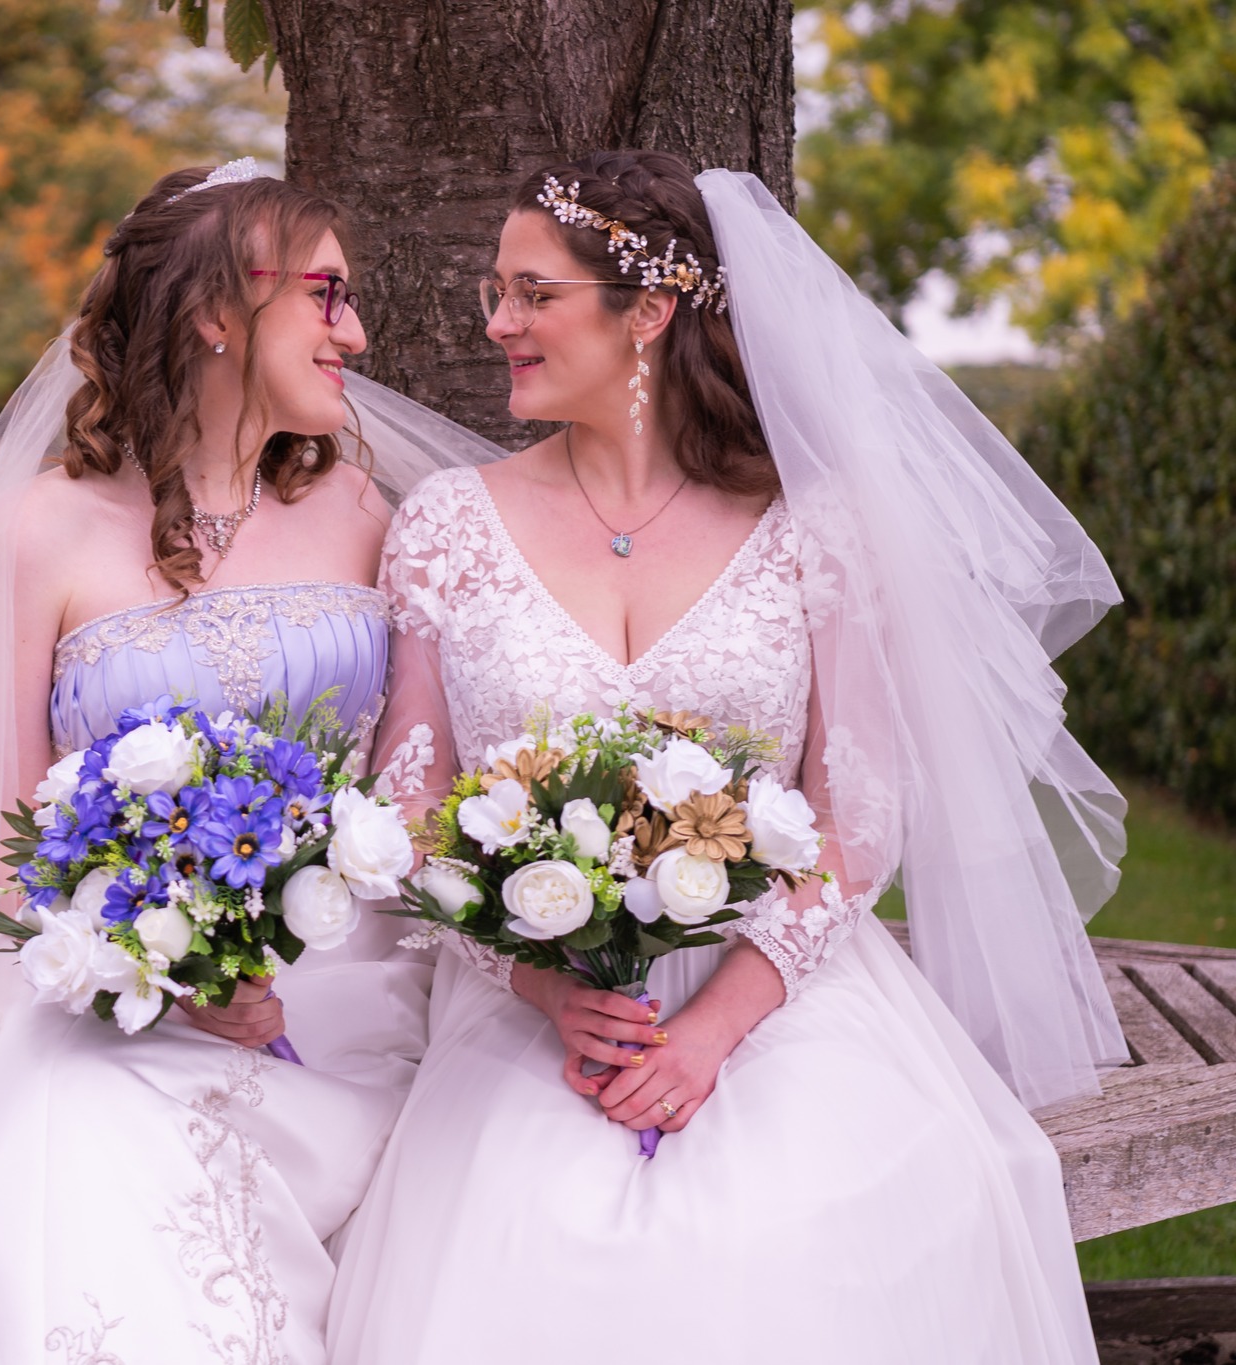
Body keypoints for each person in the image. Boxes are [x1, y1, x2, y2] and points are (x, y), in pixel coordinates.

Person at [327, 150, 1128, 1364]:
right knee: (526, 1240)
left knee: (794, 1233)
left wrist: (714, 1028)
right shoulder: (444, 524)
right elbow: (409, 801)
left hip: (780, 994)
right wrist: (546, 989)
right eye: (495, 292)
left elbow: (853, 811)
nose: (497, 323)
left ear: (646, 310)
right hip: (529, 1011)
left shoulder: (812, 527)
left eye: (531, 294)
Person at [0, 160, 499, 1364]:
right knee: (73, 1141)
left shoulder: (366, 512)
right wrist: (163, 967)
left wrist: (293, 934)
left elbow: (411, 789)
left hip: (350, 989)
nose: (354, 330)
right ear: (214, 311)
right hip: (111, 1001)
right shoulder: (35, 531)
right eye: (324, 293)